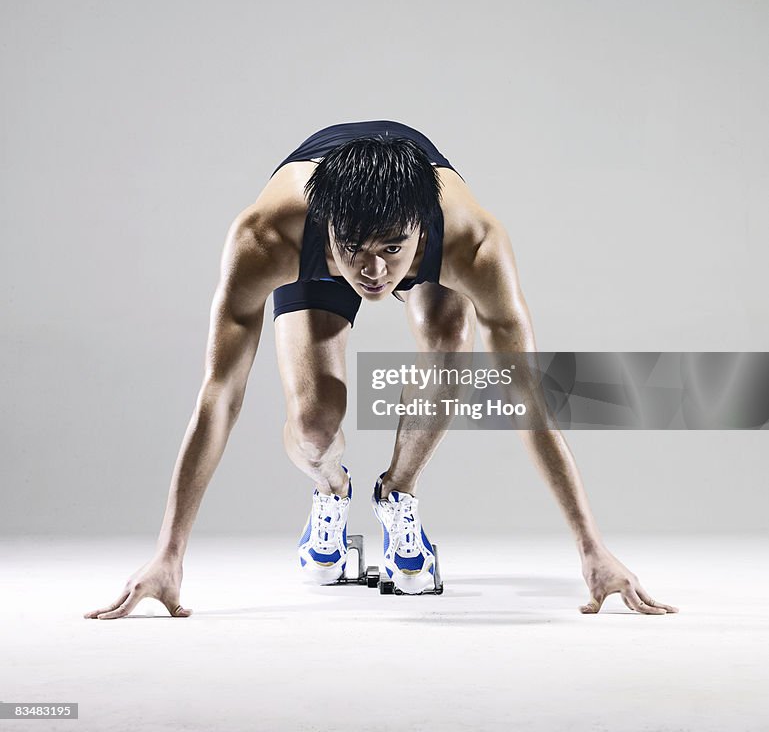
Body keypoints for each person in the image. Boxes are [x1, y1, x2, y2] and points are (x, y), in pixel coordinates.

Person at [84, 119, 677, 618]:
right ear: (326, 234)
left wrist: (591, 547)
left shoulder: (473, 244)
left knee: (450, 331)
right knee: (316, 424)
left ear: (420, 231)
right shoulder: (266, 238)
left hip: (402, 237)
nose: (373, 272)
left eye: (392, 251)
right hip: (321, 243)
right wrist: (169, 551)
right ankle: (331, 497)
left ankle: (398, 497)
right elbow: (219, 395)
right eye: (356, 252)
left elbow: (528, 402)